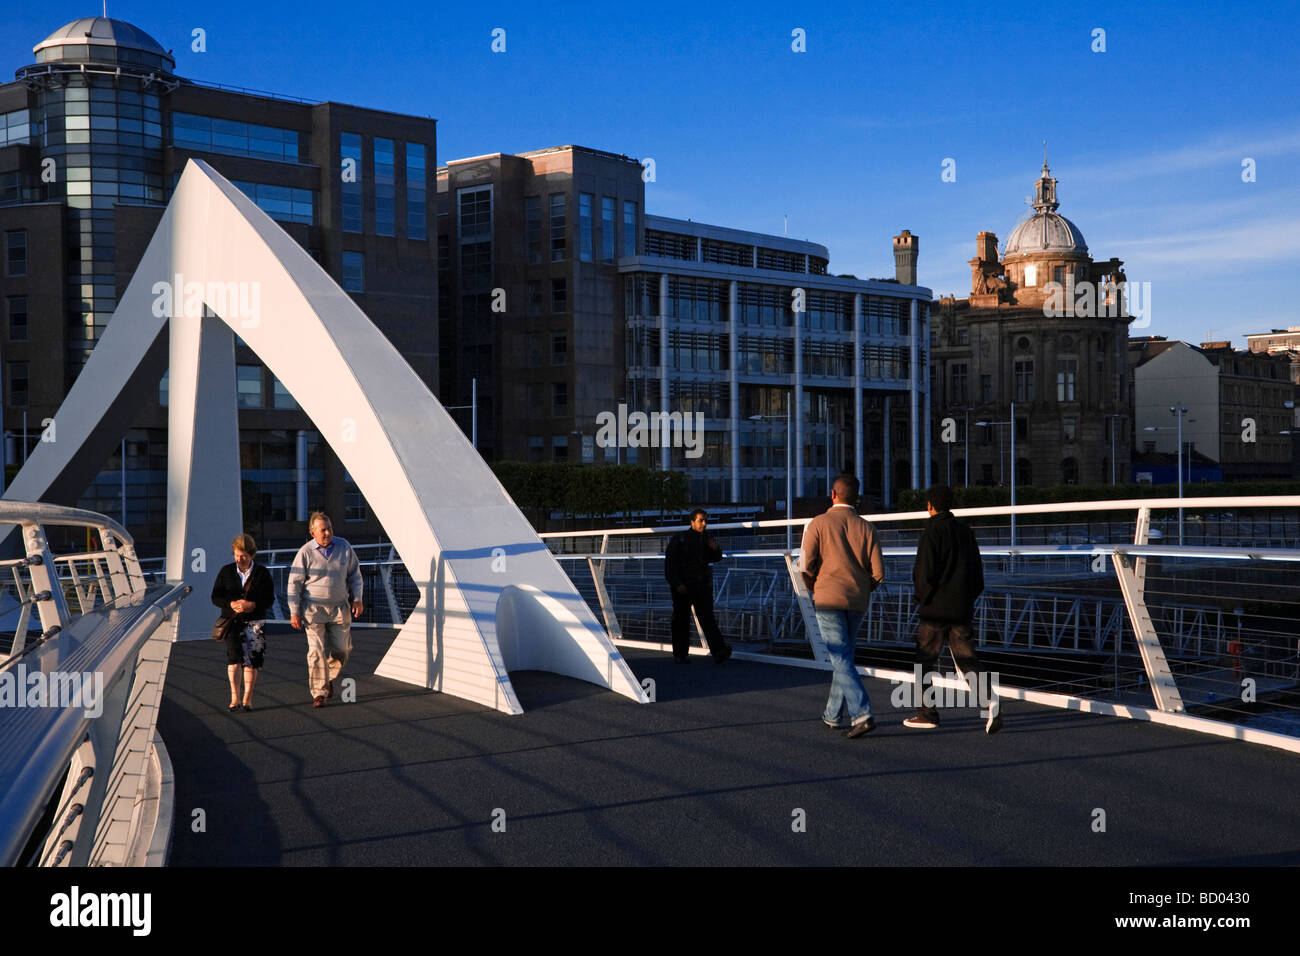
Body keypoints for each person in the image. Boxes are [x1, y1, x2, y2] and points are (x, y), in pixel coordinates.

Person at [905, 483, 1002, 733]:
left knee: (924, 661)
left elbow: (923, 574)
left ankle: (928, 713)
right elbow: (977, 575)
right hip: (961, 608)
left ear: (930, 506)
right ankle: (990, 702)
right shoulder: (966, 532)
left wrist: (922, 599)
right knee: (967, 659)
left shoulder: (930, 533)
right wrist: (968, 597)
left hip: (934, 611)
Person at [800, 475, 885, 738]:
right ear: (856, 498)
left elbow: (804, 565)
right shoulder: (867, 527)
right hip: (858, 598)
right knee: (844, 655)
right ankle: (833, 715)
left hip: (828, 596)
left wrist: (815, 585)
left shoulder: (818, 523)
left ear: (833, 494)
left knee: (839, 656)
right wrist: (863, 587)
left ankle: (862, 713)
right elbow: (879, 573)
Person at [287, 512, 364, 708]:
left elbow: (355, 575)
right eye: (323, 530)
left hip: (340, 608)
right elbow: (294, 584)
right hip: (313, 610)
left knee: (343, 650)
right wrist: (294, 611)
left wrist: (357, 599)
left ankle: (327, 676)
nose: (328, 533)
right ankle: (319, 693)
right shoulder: (305, 553)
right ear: (312, 532)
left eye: (329, 528)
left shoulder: (344, 546)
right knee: (316, 651)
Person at [211, 533, 275, 712]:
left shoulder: (261, 573)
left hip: (255, 621)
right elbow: (215, 596)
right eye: (237, 554)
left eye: (245, 555)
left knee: (253, 660)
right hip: (232, 621)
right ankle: (234, 697)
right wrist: (231, 604)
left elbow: (269, 599)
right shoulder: (226, 572)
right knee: (234, 657)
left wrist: (252, 605)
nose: (241, 558)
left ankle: (248, 698)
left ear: (252, 554)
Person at [664, 508, 732, 662]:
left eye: (705, 520)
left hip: (701, 585)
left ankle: (719, 651)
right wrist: (676, 583)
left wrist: (716, 550)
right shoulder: (680, 539)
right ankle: (680, 654)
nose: (704, 523)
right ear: (692, 521)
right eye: (701, 520)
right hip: (683, 586)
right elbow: (670, 564)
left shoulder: (706, 538)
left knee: (707, 618)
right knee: (681, 620)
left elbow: (714, 558)